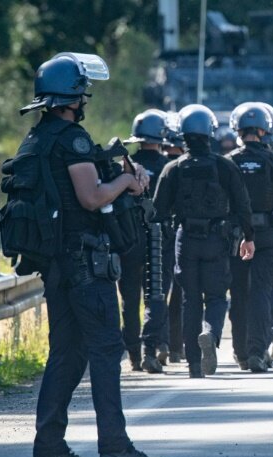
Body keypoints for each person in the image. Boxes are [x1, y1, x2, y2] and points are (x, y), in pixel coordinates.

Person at [17, 52, 164, 457]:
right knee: (105, 349)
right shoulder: (73, 139)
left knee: (66, 352)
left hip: (58, 265)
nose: (86, 101)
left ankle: (48, 450)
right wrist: (127, 182)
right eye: (83, 93)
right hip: (85, 263)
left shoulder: (36, 140)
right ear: (72, 97)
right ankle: (115, 449)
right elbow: (92, 197)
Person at [152, 104, 254, 378]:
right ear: (210, 133)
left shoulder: (173, 168)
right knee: (218, 297)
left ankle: (194, 365)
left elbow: (158, 211)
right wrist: (248, 237)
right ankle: (210, 333)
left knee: (190, 300)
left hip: (185, 240)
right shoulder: (225, 166)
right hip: (217, 239)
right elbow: (243, 205)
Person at [227, 102, 273, 373]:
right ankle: (258, 351)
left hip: (235, 237)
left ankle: (242, 353)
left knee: (238, 294)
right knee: (262, 294)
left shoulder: (229, 161)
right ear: (265, 130)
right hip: (268, 236)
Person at [125, 109, 170, 373]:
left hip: (128, 239)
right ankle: (151, 349)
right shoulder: (168, 166)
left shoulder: (127, 164)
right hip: (158, 240)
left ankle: (132, 354)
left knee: (129, 299)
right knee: (156, 294)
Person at [160, 114, 186, 363]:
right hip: (180, 238)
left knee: (154, 293)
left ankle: (157, 344)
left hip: (152, 239)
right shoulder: (183, 166)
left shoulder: (165, 167)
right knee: (178, 293)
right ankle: (176, 347)